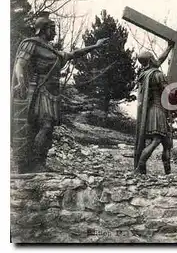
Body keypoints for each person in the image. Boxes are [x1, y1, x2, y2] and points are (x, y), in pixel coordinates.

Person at [11, 11, 108, 173]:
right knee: (45, 125)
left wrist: (95, 46)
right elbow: (20, 64)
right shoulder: (32, 44)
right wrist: (21, 80)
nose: (55, 32)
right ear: (43, 29)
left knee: (47, 129)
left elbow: (74, 54)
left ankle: (40, 163)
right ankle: (32, 163)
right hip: (39, 92)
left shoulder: (52, 51)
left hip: (52, 94)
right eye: (52, 28)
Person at [134, 45, 174, 175]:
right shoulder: (157, 74)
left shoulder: (144, 75)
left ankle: (168, 173)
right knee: (156, 140)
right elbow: (168, 92)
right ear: (151, 60)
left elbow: (159, 61)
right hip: (158, 111)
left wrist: (168, 47)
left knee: (167, 143)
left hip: (151, 111)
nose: (156, 59)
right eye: (153, 58)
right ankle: (140, 166)